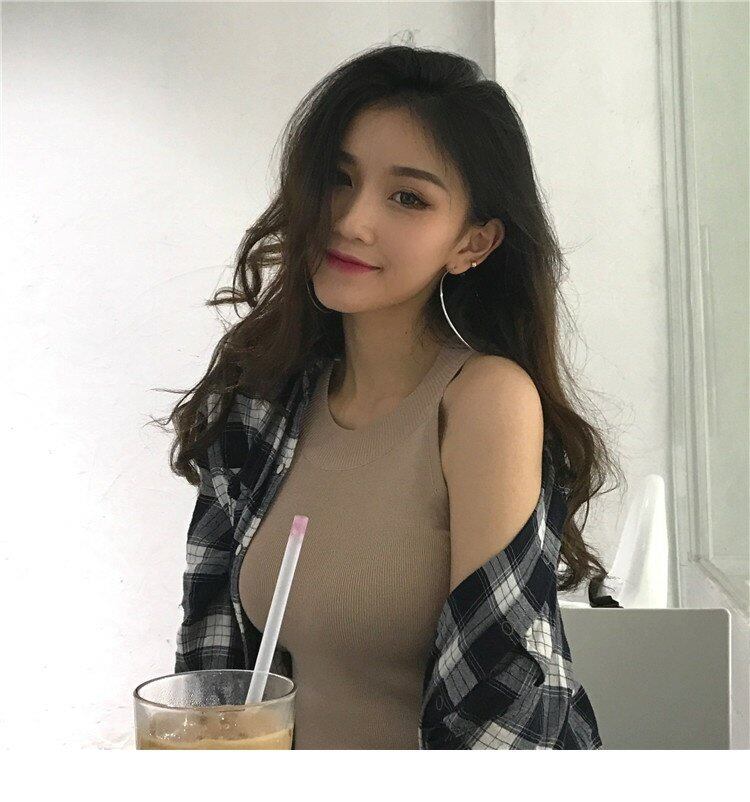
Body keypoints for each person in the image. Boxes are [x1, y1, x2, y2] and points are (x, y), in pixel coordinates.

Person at [155, 42, 623, 749]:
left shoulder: (484, 402)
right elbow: (211, 682)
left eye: (408, 197)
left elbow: (505, 712)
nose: (351, 219)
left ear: (472, 243)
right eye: (338, 179)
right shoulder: (264, 403)